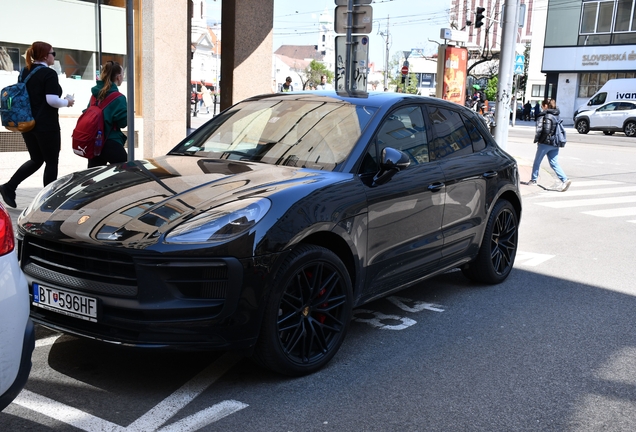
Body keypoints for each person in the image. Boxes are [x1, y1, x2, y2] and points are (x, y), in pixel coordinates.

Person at [0, 41, 74, 209]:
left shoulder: (25, 71)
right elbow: (52, 100)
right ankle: (48, 201)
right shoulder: (49, 74)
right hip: (47, 125)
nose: (54, 57)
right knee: (51, 162)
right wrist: (67, 101)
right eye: (53, 54)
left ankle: (9, 187)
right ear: (44, 56)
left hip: (28, 123)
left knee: (37, 159)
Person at [85, 61, 128, 168]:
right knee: (126, 172)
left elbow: (87, 112)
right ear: (118, 77)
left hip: (94, 142)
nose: (123, 77)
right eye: (123, 74)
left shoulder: (94, 95)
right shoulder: (119, 98)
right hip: (110, 141)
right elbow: (123, 123)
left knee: (94, 176)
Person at [528, 99, 571, 192]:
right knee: (554, 163)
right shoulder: (557, 115)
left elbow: (546, 130)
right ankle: (565, 179)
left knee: (537, 162)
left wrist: (540, 140)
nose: (542, 108)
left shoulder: (547, 116)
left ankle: (533, 180)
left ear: (546, 106)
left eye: (542, 106)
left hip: (546, 143)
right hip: (555, 143)